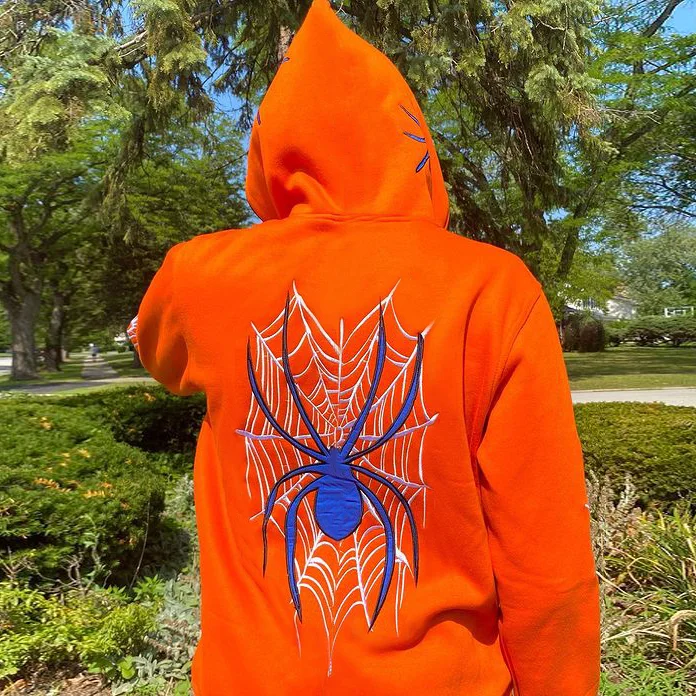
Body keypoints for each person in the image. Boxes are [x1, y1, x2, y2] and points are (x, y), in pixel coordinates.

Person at [131, 1, 601, 693]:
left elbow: (159, 356)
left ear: (268, 151)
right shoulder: (492, 286)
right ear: (415, 146)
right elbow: (545, 550)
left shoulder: (199, 274)